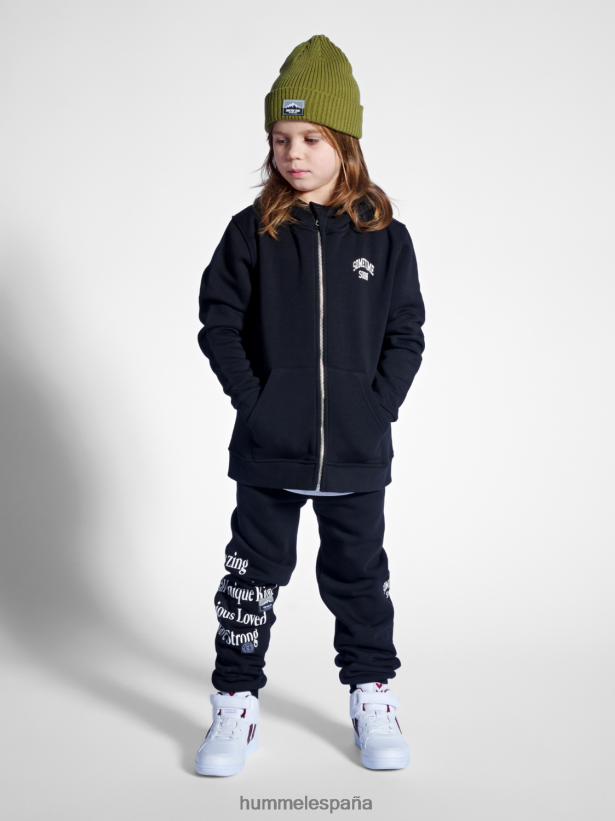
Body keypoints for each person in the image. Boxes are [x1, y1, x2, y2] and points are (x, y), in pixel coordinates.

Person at [194, 34, 426, 776]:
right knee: (250, 579)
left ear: (345, 142)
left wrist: (375, 408)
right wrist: (256, 403)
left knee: (359, 580)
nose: (293, 153)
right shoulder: (253, 232)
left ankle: (372, 694)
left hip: (357, 451)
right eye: (280, 138)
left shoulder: (385, 239)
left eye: (310, 138)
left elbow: (406, 332)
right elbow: (219, 323)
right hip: (271, 448)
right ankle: (234, 700)